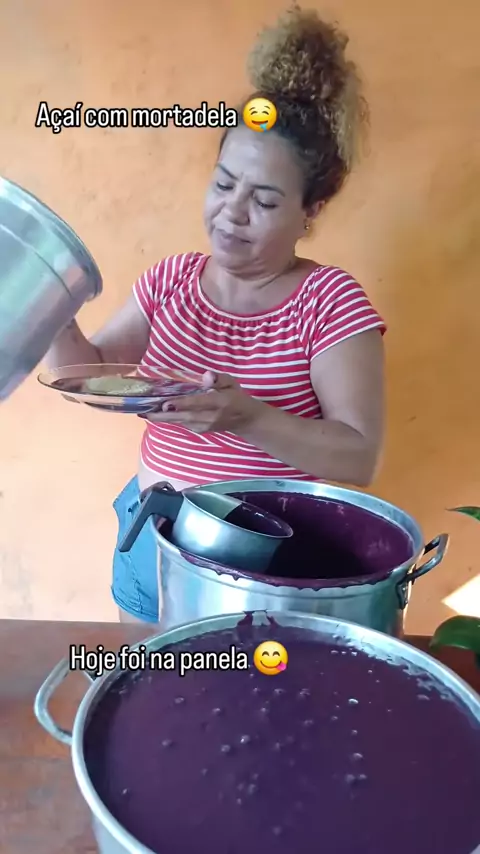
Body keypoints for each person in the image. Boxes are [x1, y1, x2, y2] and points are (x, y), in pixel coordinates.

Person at [46, 8, 386, 627]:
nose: (232, 212)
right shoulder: (171, 279)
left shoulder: (329, 301)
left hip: (267, 556)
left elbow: (358, 457)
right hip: (156, 527)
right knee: (150, 676)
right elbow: (86, 373)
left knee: (243, 683)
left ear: (311, 210)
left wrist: (246, 416)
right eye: (224, 184)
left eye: (264, 200)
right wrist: (48, 300)